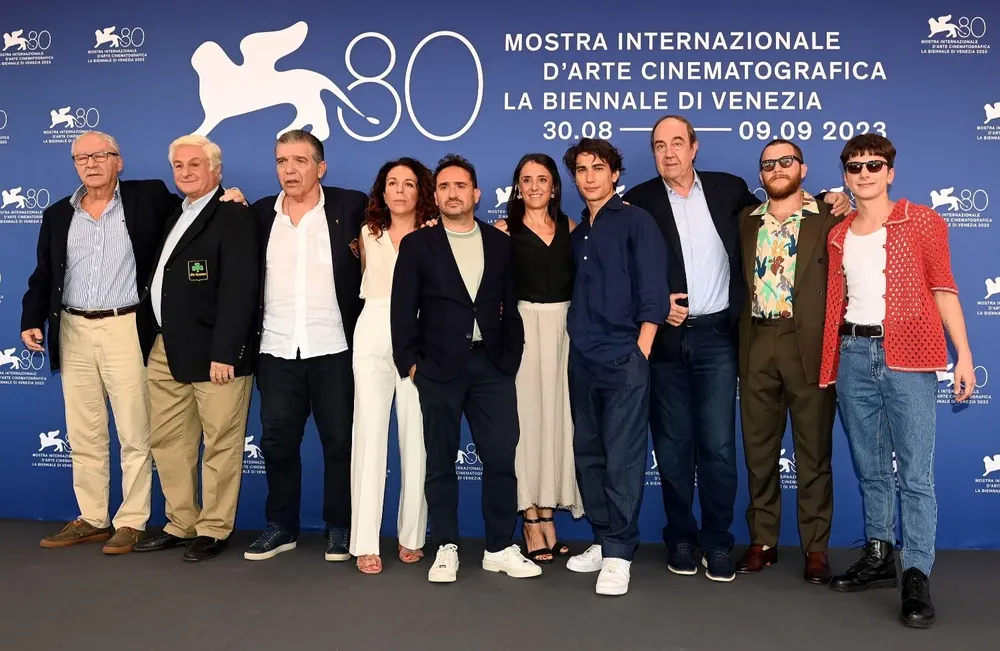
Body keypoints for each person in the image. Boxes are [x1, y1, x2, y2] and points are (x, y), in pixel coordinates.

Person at [622, 115, 850, 582]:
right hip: (672, 341)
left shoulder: (732, 195)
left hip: (723, 340)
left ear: (695, 147)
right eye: (659, 145)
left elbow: (792, 205)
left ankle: (722, 542)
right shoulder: (639, 201)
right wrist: (653, 303)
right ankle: (684, 538)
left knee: (723, 449)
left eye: (677, 143)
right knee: (674, 447)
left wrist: (836, 198)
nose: (669, 153)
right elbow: (620, 266)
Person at [21, 130, 242, 554]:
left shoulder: (150, 198)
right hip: (73, 328)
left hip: (127, 327)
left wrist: (231, 195)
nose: (91, 163)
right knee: (83, 432)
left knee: (135, 430)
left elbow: (201, 206)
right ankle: (91, 517)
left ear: (118, 161)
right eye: (81, 157)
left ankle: (132, 521)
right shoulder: (56, 215)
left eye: (101, 155)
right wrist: (31, 318)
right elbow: (43, 276)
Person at [820, 134, 975, 628]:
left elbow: (944, 289)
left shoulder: (922, 221)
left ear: (890, 172)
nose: (863, 173)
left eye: (873, 165)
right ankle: (881, 552)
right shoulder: (838, 233)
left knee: (915, 474)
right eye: (854, 166)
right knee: (870, 467)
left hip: (908, 358)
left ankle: (916, 574)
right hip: (853, 354)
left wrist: (965, 356)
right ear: (845, 174)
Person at [391, 154, 539, 583]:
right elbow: (403, 312)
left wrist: (509, 357)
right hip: (436, 369)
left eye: (460, 186)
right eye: (444, 187)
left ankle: (499, 546)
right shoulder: (418, 245)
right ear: (434, 196)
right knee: (439, 460)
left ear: (475, 194)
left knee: (499, 458)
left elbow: (510, 306)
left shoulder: (499, 243)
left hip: (491, 366)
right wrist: (411, 365)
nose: (452, 193)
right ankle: (447, 546)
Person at [132, 135, 258, 562]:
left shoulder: (233, 215)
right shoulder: (175, 213)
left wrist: (227, 352)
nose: (185, 172)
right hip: (165, 348)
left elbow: (241, 290)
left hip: (215, 353)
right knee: (169, 440)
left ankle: (214, 528)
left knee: (221, 440)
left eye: (195, 165)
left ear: (216, 171)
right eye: (178, 166)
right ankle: (181, 521)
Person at [243, 129, 366, 563]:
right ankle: (281, 526)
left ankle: (340, 528)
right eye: (281, 161)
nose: (289, 170)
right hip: (276, 350)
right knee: (277, 444)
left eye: (299, 160)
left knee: (338, 443)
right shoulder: (258, 214)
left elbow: (400, 226)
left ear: (321, 167)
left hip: (334, 349)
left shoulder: (352, 207)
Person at [561, 138, 670, 596]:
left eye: (598, 167)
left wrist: (641, 349)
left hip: (625, 357)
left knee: (623, 457)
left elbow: (654, 293)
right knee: (589, 455)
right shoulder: (578, 232)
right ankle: (605, 540)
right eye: (581, 169)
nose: (589, 176)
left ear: (614, 174)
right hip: (582, 356)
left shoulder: (637, 221)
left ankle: (621, 554)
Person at [733, 140, 841, 584]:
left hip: (809, 345)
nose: (776, 168)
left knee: (813, 451)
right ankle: (762, 541)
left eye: (785, 161)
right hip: (758, 340)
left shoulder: (831, 217)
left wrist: (844, 197)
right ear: (760, 176)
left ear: (803, 168)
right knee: (759, 449)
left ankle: (816, 548)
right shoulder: (746, 220)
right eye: (768, 164)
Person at [492, 154, 583, 563]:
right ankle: (529, 517)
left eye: (541, 179)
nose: (533, 186)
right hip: (523, 329)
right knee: (526, 422)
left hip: (564, 330)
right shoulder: (502, 232)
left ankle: (549, 512)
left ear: (554, 186)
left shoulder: (571, 228)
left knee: (558, 421)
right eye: (525, 179)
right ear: (517, 186)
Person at [349, 158, 436, 574]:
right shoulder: (368, 233)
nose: (400, 190)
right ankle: (365, 540)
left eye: (409, 183)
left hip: (421, 334)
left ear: (422, 191)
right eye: (392, 183)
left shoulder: (436, 235)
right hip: (373, 330)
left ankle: (412, 535)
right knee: (368, 434)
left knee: (416, 435)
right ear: (382, 191)